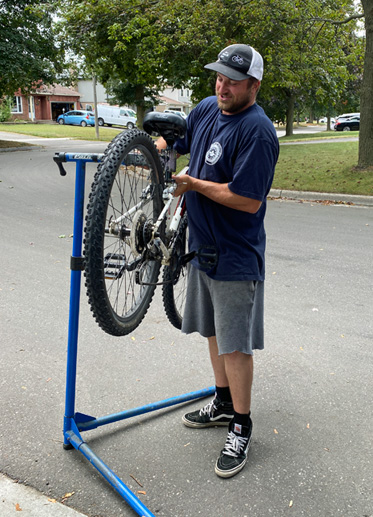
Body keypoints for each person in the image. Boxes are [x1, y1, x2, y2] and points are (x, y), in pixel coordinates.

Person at [157, 44, 279, 478]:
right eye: (220, 76)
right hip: (202, 246)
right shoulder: (209, 107)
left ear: (254, 86)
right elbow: (182, 138)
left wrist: (195, 184)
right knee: (212, 331)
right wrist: (161, 142)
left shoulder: (258, 132)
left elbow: (247, 200)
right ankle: (223, 402)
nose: (223, 85)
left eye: (233, 80)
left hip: (235, 254)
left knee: (234, 343)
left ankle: (241, 425)